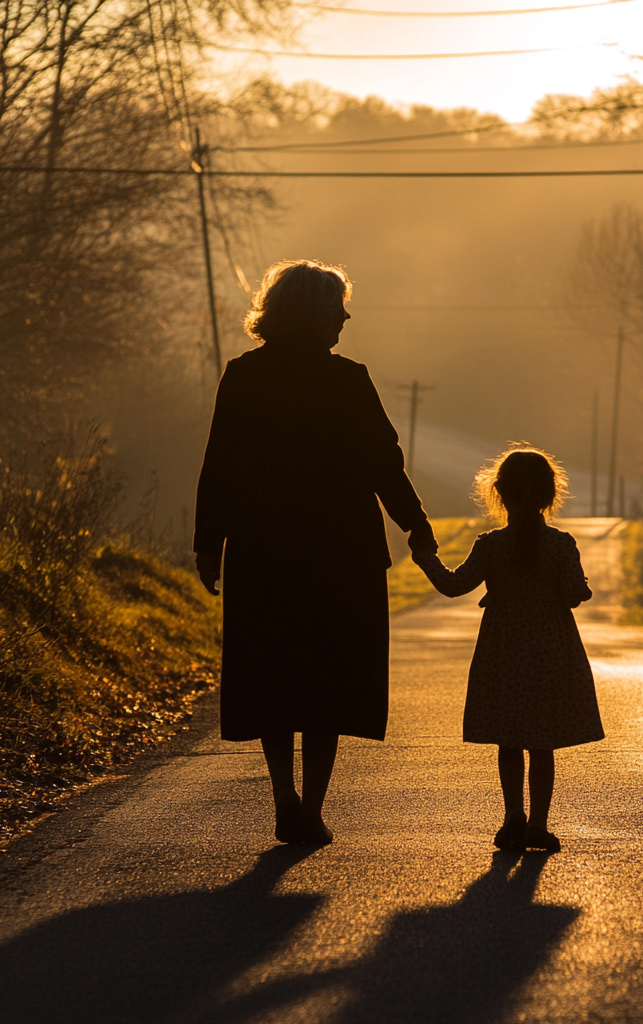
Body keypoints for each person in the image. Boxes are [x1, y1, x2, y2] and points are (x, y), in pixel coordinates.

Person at [193, 258, 436, 846]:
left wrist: (209, 544)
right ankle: (315, 809)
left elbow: (219, 465)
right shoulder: (349, 381)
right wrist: (415, 523)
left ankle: (284, 794)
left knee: (272, 675)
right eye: (337, 307)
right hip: (341, 553)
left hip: (262, 551)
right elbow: (385, 464)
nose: (345, 317)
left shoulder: (243, 377)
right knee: (328, 681)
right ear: (312, 313)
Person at [411, 446, 604, 853]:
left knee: (510, 738)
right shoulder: (561, 544)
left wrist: (426, 558)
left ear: (499, 493)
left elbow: (453, 585)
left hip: (504, 649)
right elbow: (574, 594)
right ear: (551, 495)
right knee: (543, 741)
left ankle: (512, 814)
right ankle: (538, 823)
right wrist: (580, 585)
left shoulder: (490, 545)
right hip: (552, 649)